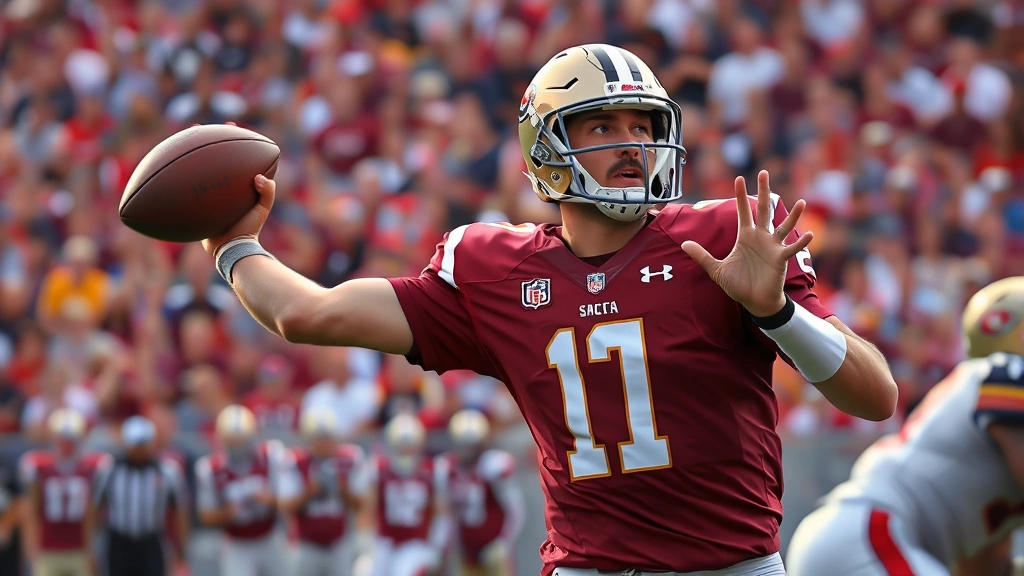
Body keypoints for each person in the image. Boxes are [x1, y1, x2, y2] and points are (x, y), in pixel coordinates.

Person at [201, 43, 897, 575]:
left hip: (728, 567)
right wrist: (234, 246)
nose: (631, 143)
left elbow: (874, 396)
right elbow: (310, 315)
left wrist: (776, 312)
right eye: (602, 125)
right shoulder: (494, 270)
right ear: (547, 148)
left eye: (642, 122)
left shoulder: (721, 241)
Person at [786, 277, 1024, 576]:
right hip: (873, 534)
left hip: (864, 539)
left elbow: (983, 566)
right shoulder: (1005, 372)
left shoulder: (984, 384)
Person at [87, 415, 189, 576]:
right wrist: (91, 547)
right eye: (135, 444)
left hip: (151, 541)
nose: (139, 450)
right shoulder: (109, 470)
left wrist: (182, 550)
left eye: (143, 444)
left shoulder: (167, 471)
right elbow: (94, 509)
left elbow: (180, 512)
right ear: (126, 444)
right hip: (119, 542)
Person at [193, 404, 288, 576]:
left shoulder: (271, 455)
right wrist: (227, 512)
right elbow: (206, 515)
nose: (238, 446)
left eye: (242, 440)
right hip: (236, 543)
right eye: (232, 441)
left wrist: (271, 500)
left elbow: (291, 501)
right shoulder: (210, 468)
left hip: (271, 537)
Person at [353, 414, 450, 576]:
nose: (405, 450)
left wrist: (437, 546)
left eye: (410, 445)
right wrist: (364, 541)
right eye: (401, 445)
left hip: (416, 543)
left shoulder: (432, 471)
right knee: (364, 571)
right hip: (384, 542)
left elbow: (440, 513)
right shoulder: (379, 470)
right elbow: (367, 509)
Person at [18, 408, 110, 576]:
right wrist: (31, 548)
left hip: (80, 549)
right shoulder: (39, 466)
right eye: (63, 439)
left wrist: (91, 548)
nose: (67, 445)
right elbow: (32, 510)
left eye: (71, 439)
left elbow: (93, 511)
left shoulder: (92, 467)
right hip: (48, 549)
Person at [277, 406, 366, 576]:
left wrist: (343, 488)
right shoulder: (295, 461)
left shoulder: (349, 458)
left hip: (339, 543)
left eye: (327, 437)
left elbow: (361, 505)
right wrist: (310, 491)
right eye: (318, 438)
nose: (323, 444)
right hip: (305, 544)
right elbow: (286, 507)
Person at [445, 408, 525, 576]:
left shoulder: (493, 466)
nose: (466, 450)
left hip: (493, 552)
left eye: (471, 444)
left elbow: (516, 510)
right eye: (463, 444)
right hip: (467, 552)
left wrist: (502, 544)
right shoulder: (448, 469)